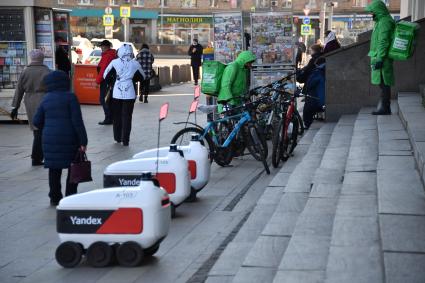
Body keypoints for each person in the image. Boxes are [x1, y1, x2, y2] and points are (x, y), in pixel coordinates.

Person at [33, 71, 88, 206]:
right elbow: (77, 121)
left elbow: (36, 121)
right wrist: (83, 141)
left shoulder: (46, 98)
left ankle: (55, 197)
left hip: (50, 139)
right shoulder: (71, 97)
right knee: (73, 166)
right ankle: (70, 196)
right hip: (69, 138)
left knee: (54, 169)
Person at [10, 49, 51, 166]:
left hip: (29, 101)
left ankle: (38, 156)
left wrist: (15, 107)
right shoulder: (47, 71)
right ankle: (36, 157)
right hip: (44, 100)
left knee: (36, 129)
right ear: (42, 58)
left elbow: (19, 90)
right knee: (42, 130)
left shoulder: (25, 72)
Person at [104, 44, 146, 146]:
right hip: (130, 93)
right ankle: (125, 139)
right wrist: (132, 80)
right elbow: (143, 76)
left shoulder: (114, 62)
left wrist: (113, 82)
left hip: (116, 93)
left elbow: (106, 75)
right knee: (127, 117)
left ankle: (117, 137)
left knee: (116, 116)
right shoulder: (135, 64)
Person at [366, 0, 395, 115]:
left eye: (372, 11)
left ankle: (385, 107)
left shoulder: (384, 22)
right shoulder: (380, 21)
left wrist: (380, 58)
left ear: (378, 11)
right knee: (381, 82)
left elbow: (383, 41)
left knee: (384, 82)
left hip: (382, 57)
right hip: (378, 56)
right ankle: (384, 106)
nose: (371, 14)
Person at [96, 40, 116, 125]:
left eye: (102, 46)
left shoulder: (108, 56)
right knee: (108, 99)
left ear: (107, 47)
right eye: (101, 46)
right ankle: (110, 118)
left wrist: (97, 81)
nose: (101, 48)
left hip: (106, 80)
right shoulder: (110, 54)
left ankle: (108, 118)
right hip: (109, 80)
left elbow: (103, 70)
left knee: (104, 99)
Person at [303, 62, 326, 129]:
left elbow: (309, 84)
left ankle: (307, 124)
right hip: (323, 99)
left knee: (308, 108)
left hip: (317, 100)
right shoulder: (324, 71)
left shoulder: (317, 72)